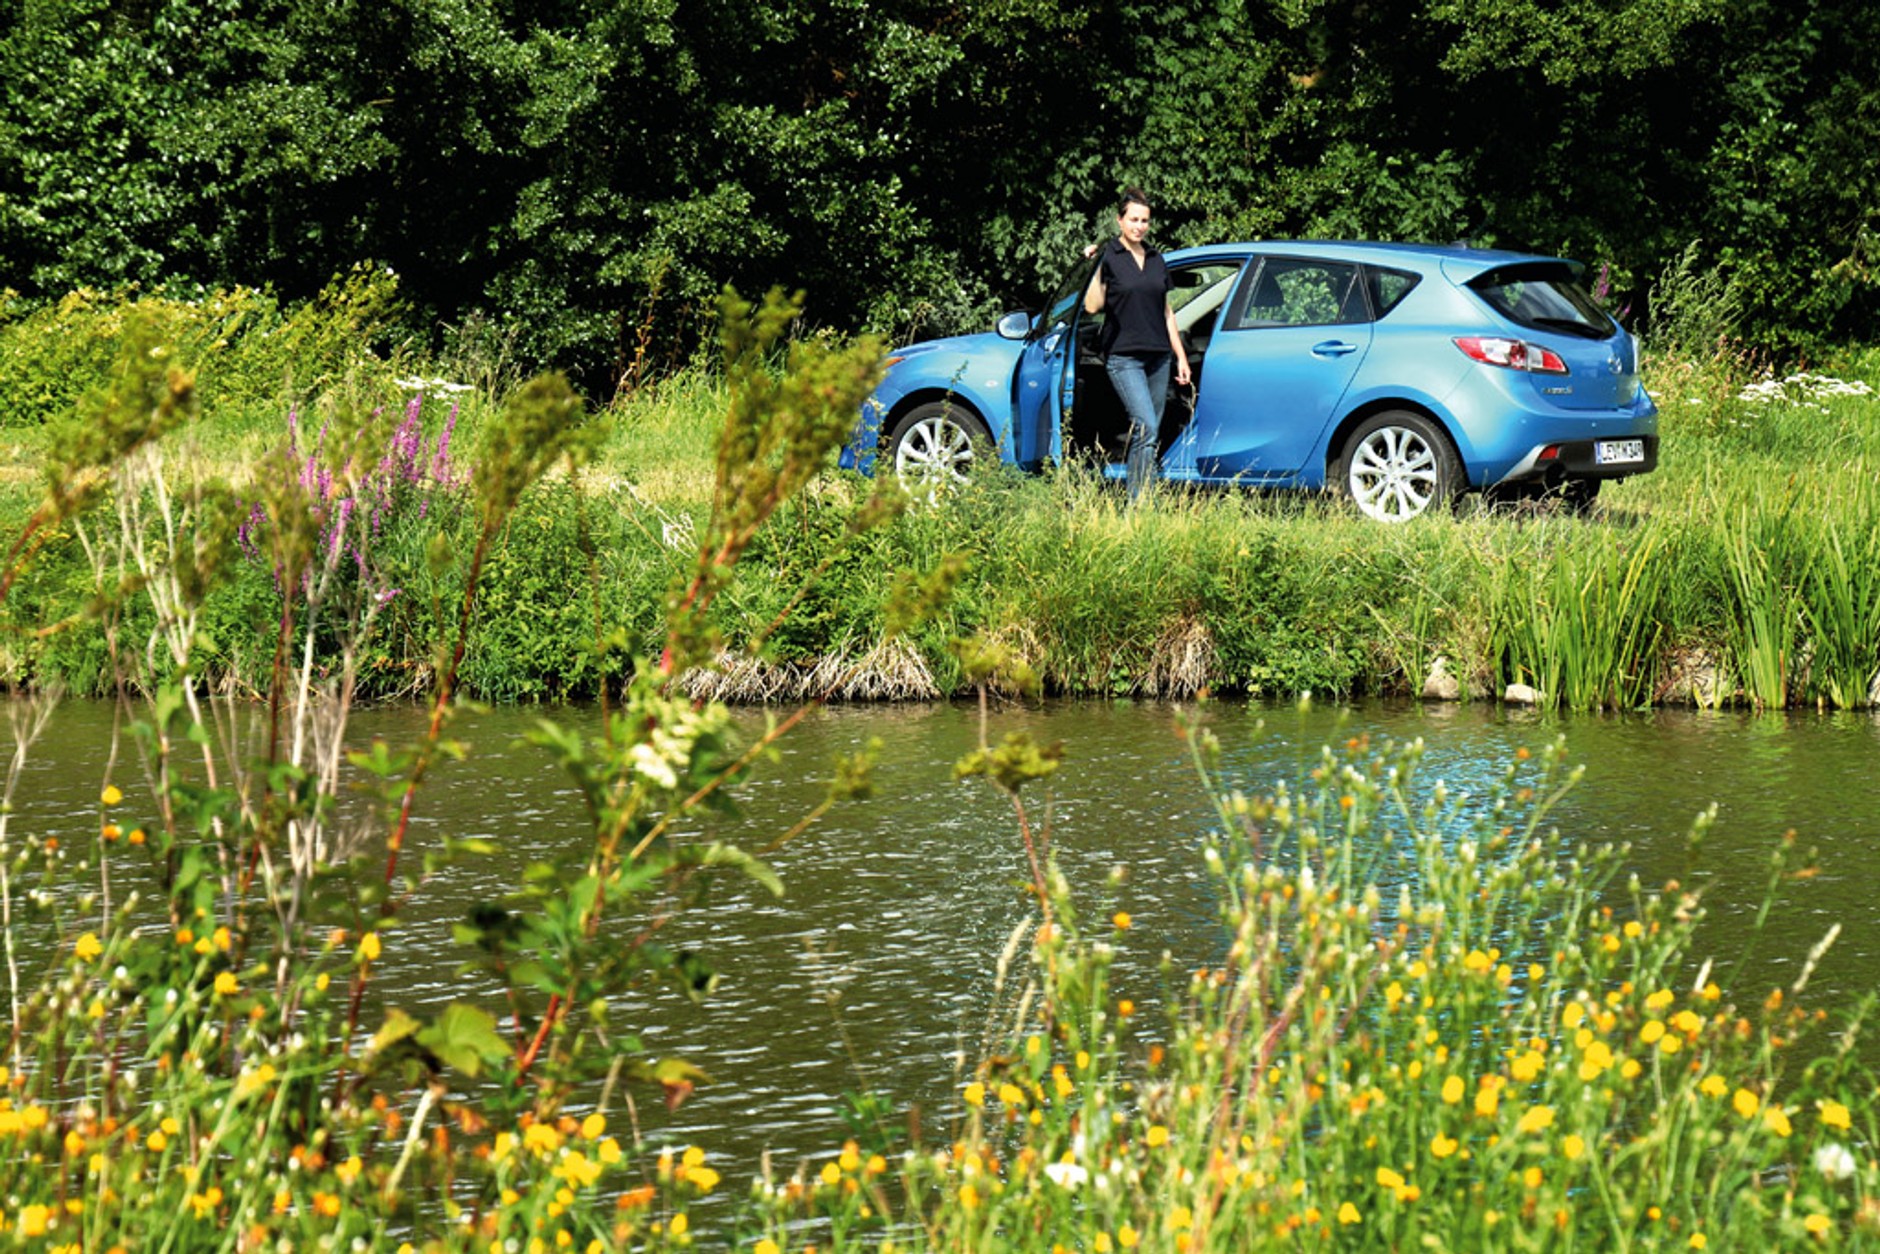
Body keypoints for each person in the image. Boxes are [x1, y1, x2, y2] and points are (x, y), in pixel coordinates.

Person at [1083, 188, 1190, 503]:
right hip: (1123, 356)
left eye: (1144, 220)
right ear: (1120, 220)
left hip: (1159, 357)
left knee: (1150, 432)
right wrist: (1094, 267)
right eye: (1133, 219)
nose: (1139, 226)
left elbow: (1166, 311)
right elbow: (1092, 307)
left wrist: (1180, 357)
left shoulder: (1157, 259)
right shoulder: (1110, 256)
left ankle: (1141, 496)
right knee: (1144, 426)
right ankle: (1138, 502)